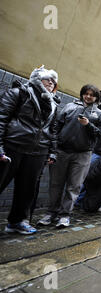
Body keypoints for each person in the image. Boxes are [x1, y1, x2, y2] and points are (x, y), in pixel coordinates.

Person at [37, 84, 101, 228]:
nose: (88, 96)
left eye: (92, 94)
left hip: (83, 154)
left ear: (96, 98)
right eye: (86, 93)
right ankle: (51, 213)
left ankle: (64, 215)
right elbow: (57, 125)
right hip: (62, 151)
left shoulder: (100, 114)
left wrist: (88, 125)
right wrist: (54, 147)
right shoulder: (69, 106)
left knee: (74, 186)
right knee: (55, 184)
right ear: (82, 94)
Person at [0, 66, 59, 235]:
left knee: (26, 191)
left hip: (37, 152)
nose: (51, 83)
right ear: (36, 79)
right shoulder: (19, 93)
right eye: (48, 79)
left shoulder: (53, 103)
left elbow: (53, 131)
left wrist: (52, 152)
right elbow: (2, 118)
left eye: (54, 81)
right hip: (12, 146)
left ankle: (16, 222)